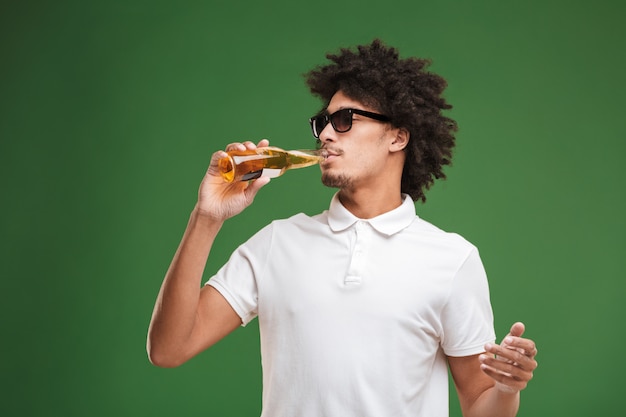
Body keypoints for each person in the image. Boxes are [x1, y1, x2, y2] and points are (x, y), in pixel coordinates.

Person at [147, 39, 538, 417]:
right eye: (323, 122)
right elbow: (168, 349)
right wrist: (207, 216)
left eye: (345, 120)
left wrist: (506, 390)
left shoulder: (453, 260)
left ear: (397, 136)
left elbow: (480, 406)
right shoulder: (276, 243)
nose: (327, 134)